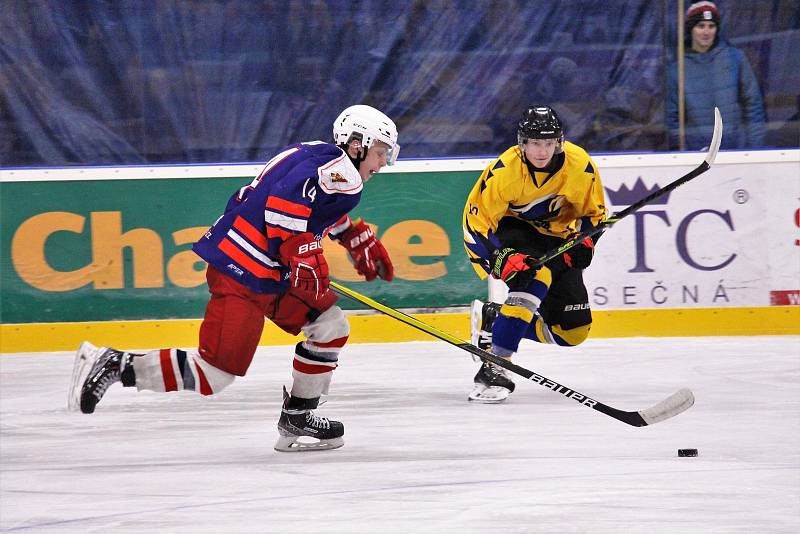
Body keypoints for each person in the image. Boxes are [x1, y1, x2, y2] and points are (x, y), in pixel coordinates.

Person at [68, 105, 399, 452]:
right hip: (241, 272)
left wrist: (349, 235)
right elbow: (281, 204)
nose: (382, 164)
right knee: (213, 375)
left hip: (267, 271)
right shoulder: (340, 172)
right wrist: (300, 250)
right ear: (356, 143)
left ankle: (298, 415)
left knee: (329, 325)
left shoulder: (319, 155)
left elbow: (307, 202)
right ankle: (116, 363)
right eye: (380, 152)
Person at [462, 105, 607, 403]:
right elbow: (474, 224)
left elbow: (593, 217)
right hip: (513, 232)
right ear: (522, 144)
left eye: (548, 143)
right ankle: (497, 365)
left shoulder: (580, 166)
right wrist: (501, 259)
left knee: (571, 333)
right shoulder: (505, 171)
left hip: (557, 237)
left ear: (559, 142)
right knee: (534, 277)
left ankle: (495, 319)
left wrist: (585, 243)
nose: (541, 151)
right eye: (534, 143)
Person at [666, 1, 766, 150]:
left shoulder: (736, 59)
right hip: (697, 155)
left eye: (711, 26)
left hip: (736, 152)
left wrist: (754, 148)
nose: (706, 32)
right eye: (701, 26)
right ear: (691, 29)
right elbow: (672, 119)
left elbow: (753, 106)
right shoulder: (677, 69)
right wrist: (683, 154)